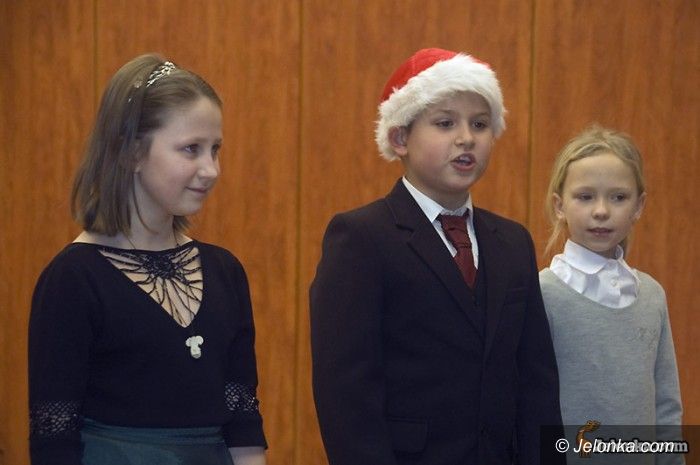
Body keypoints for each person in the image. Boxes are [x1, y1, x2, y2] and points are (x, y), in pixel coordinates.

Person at [309, 47, 564, 465]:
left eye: (480, 124)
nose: (466, 138)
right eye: (445, 123)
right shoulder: (361, 237)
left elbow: (537, 382)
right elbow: (347, 393)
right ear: (400, 139)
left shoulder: (512, 242)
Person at [28, 54, 267, 465]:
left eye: (215, 150)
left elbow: (243, 420)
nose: (211, 169)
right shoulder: (73, 278)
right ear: (131, 153)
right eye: (191, 149)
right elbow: (54, 438)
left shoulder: (224, 271)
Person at [540, 126, 683, 464]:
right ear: (559, 205)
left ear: (639, 205)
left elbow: (666, 404)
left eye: (618, 197)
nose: (601, 211)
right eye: (585, 196)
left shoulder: (651, 296)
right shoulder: (543, 293)